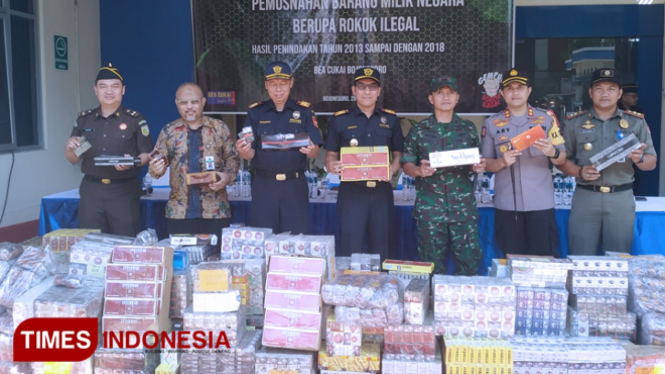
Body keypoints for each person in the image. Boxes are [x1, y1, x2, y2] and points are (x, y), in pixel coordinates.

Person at [560, 68, 657, 255]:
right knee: (581, 258)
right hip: (586, 197)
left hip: (620, 198)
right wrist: (579, 172)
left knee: (619, 259)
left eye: (611, 89)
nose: (605, 93)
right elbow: (562, 161)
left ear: (620, 93)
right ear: (590, 92)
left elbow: (651, 162)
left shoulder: (636, 123)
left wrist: (640, 159)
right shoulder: (574, 123)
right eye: (599, 88)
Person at [401, 77, 485, 275]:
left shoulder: (468, 129)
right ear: (431, 98)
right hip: (430, 211)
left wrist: (478, 166)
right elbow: (406, 164)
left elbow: (476, 161)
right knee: (431, 267)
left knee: (468, 265)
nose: (445, 97)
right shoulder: (419, 131)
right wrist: (418, 171)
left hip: (463, 209)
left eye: (450, 93)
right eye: (440, 93)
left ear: (457, 98)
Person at [480, 68, 567, 257]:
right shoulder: (492, 123)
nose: (515, 92)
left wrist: (552, 152)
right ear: (502, 94)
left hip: (541, 203)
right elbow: (486, 163)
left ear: (529, 91)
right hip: (507, 204)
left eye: (520, 87)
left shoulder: (546, 119)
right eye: (509, 88)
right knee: (511, 260)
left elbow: (562, 158)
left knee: (544, 260)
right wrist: (502, 162)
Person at [323, 67, 403, 260]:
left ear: (379, 91)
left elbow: (399, 153)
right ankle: (348, 289)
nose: (367, 91)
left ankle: (384, 290)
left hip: (381, 192)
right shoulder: (340, 120)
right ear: (353, 90)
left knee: (383, 246)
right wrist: (331, 166)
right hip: (352, 193)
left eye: (372, 87)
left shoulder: (390, 120)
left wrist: (392, 168)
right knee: (351, 247)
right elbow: (330, 156)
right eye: (361, 86)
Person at [65, 63, 153, 236]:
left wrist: (132, 162)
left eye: (115, 86)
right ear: (95, 90)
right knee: (91, 244)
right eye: (103, 87)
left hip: (123, 192)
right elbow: (73, 158)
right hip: (92, 191)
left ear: (123, 90)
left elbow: (147, 155)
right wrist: (69, 148)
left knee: (125, 243)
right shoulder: (84, 120)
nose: (109, 91)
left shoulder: (134, 120)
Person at [235, 61, 322, 234]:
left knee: (296, 238)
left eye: (283, 84)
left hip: (294, 185)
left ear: (291, 82)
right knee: (264, 236)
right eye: (273, 84)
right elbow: (250, 153)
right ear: (266, 85)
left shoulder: (304, 111)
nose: (278, 89)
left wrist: (311, 149)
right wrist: (243, 152)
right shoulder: (255, 112)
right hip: (264, 185)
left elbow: (315, 150)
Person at [148, 83, 239, 236]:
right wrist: (156, 168)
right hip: (179, 212)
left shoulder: (219, 127)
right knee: (181, 259)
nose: (189, 106)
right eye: (183, 102)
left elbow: (232, 159)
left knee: (215, 258)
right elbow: (157, 164)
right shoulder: (169, 131)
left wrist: (226, 177)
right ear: (177, 103)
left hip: (216, 211)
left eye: (194, 102)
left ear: (203, 102)